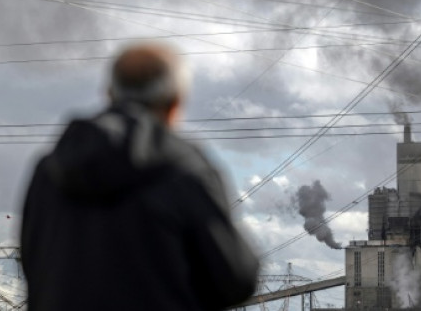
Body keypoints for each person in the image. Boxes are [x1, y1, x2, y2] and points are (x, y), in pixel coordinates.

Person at [21, 42, 259, 310]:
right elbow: (235, 281)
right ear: (174, 102)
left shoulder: (47, 170)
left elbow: (33, 265)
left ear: (110, 93)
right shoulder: (185, 167)